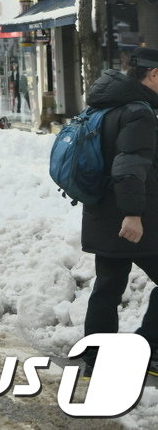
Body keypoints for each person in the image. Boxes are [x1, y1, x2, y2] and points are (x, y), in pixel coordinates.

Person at [80, 47, 158, 376]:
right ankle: (149, 349)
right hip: (132, 216)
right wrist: (132, 214)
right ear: (154, 74)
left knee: (108, 285)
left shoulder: (105, 105)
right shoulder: (139, 112)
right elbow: (129, 165)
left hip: (101, 212)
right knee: (109, 285)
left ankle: (95, 359)